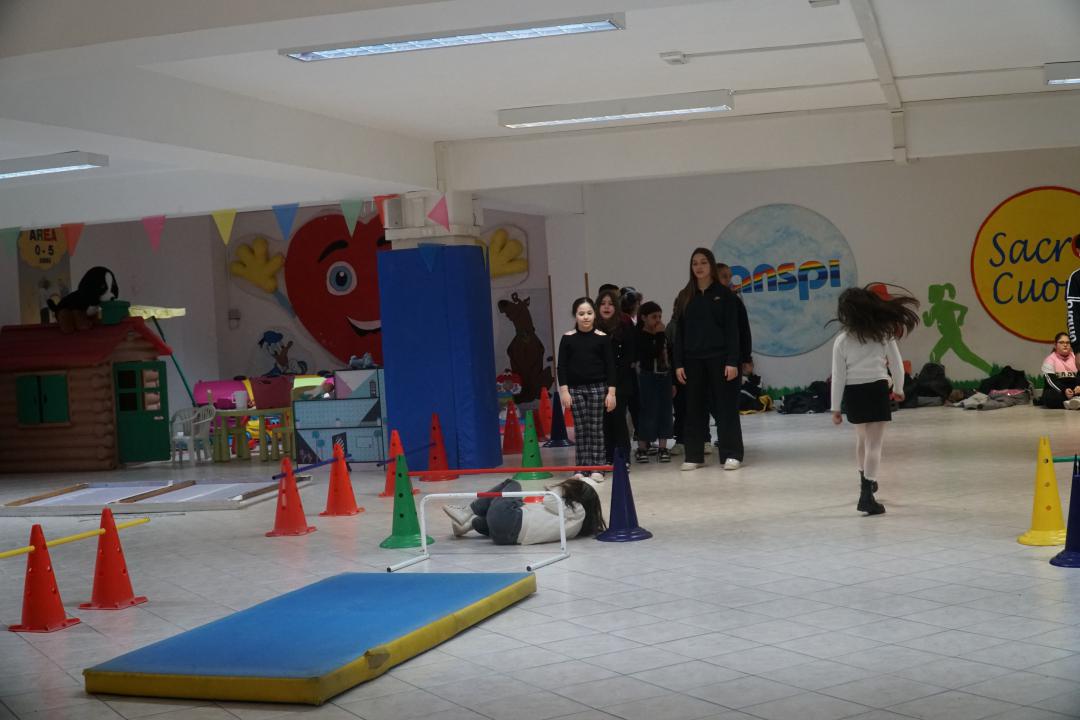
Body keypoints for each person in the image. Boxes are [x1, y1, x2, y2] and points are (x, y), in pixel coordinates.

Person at [830, 285, 920, 516]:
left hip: (853, 392)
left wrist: (835, 407)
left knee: (861, 439)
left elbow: (838, 376)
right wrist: (898, 388)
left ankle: (865, 479)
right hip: (877, 389)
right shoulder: (883, 334)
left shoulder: (842, 340)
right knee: (874, 444)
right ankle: (867, 494)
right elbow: (896, 364)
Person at [673, 247, 743, 472]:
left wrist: (733, 361)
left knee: (725, 408)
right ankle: (694, 455)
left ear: (711, 265)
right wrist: (678, 363)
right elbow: (679, 333)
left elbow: (733, 331)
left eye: (703, 262)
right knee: (693, 408)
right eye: (695, 263)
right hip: (692, 360)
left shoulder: (725, 295)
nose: (699, 267)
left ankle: (732, 454)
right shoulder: (685, 296)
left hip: (721, 359)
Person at [442, 477, 606, 544]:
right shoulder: (575, 525)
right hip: (508, 538)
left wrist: (564, 486)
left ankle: (467, 511)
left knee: (512, 484)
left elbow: (548, 498)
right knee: (486, 520)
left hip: (510, 521)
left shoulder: (578, 511)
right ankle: (468, 525)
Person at [558, 297, 616, 482]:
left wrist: (611, 393)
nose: (585, 317)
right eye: (581, 313)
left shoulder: (602, 338)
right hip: (575, 390)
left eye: (589, 313)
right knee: (580, 429)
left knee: (596, 428)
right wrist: (564, 391)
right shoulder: (567, 338)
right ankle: (582, 467)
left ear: (595, 314)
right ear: (575, 315)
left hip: (598, 388)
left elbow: (610, 366)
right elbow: (561, 366)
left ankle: (598, 467)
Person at [596, 288, 635, 468]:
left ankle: (624, 456)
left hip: (621, 380)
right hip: (599, 381)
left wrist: (616, 375)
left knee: (618, 418)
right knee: (604, 420)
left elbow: (631, 353)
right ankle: (608, 456)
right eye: (603, 304)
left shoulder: (624, 324)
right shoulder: (593, 326)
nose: (606, 307)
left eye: (610, 304)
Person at [635, 301, 674, 463]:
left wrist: (672, 382)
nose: (658, 320)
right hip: (647, 377)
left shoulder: (662, 335)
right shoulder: (640, 335)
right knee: (647, 412)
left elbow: (668, 356)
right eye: (654, 317)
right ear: (644, 318)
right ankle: (642, 447)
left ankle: (663, 447)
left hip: (664, 377)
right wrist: (658, 335)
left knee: (665, 411)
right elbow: (651, 353)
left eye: (659, 316)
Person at [1041, 332, 1079, 409]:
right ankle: (1072, 402)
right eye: (1061, 342)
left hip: (1076, 390)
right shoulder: (1049, 360)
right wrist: (1064, 390)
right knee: (1050, 397)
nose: (1065, 345)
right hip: (1060, 391)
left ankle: (1073, 402)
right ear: (1055, 345)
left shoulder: (1077, 358)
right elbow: (1051, 381)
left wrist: (1079, 386)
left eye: (1068, 343)